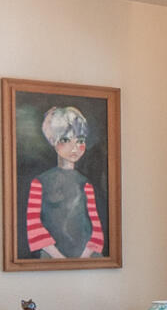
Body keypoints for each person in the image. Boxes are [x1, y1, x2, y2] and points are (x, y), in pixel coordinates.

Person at [24, 105, 107, 260]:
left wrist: (85, 255)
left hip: (87, 257)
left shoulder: (85, 184)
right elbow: (33, 223)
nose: (74, 147)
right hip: (50, 255)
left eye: (80, 140)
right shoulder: (40, 182)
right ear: (52, 140)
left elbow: (95, 225)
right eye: (66, 140)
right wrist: (57, 257)